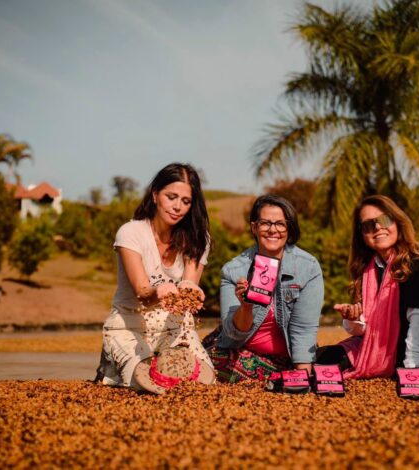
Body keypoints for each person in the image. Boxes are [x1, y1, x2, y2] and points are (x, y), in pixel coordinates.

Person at [94, 163, 215, 391]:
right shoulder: (131, 233)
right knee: (148, 386)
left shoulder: (199, 238)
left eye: (186, 201)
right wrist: (158, 291)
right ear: (155, 194)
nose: (177, 206)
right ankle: (113, 363)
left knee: (202, 385)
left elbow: (188, 285)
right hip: (131, 326)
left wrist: (191, 290)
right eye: (171, 197)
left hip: (176, 328)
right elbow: (142, 292)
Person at [316, 195, 419, 379]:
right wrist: (353, 318)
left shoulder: (418, 262)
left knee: (326, 367)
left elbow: (418, 317)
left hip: (416, 351)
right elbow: (369, 328)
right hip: (376, 347)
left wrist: (413, 367)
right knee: (313, 360)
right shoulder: (368, 269)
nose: (378, 227)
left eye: (384, 219)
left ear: (397, 222)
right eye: (369, 225)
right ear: (362, 235)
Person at [203, 195, 324, 382]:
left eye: (280, 224)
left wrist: (303, 377)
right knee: (205, 356)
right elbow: (233, 336)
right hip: (242, 349)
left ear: (288, 228)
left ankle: (279, 375)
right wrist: (246, 306)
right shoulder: (234, 270)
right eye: (265, 223)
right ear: (254, 227)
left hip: (288, 357)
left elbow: (304, 328)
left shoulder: (308, 267)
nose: (273, 230)